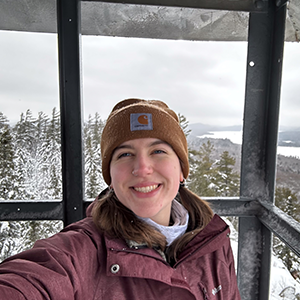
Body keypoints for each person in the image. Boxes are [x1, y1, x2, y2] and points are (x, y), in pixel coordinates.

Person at [0, 98, 241, 299]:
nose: (142, 168)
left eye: (158, 151)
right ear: (110, 178)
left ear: (181, 170)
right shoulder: (84, 250)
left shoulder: (214, 241)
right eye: (125, 154)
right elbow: (32, 278)